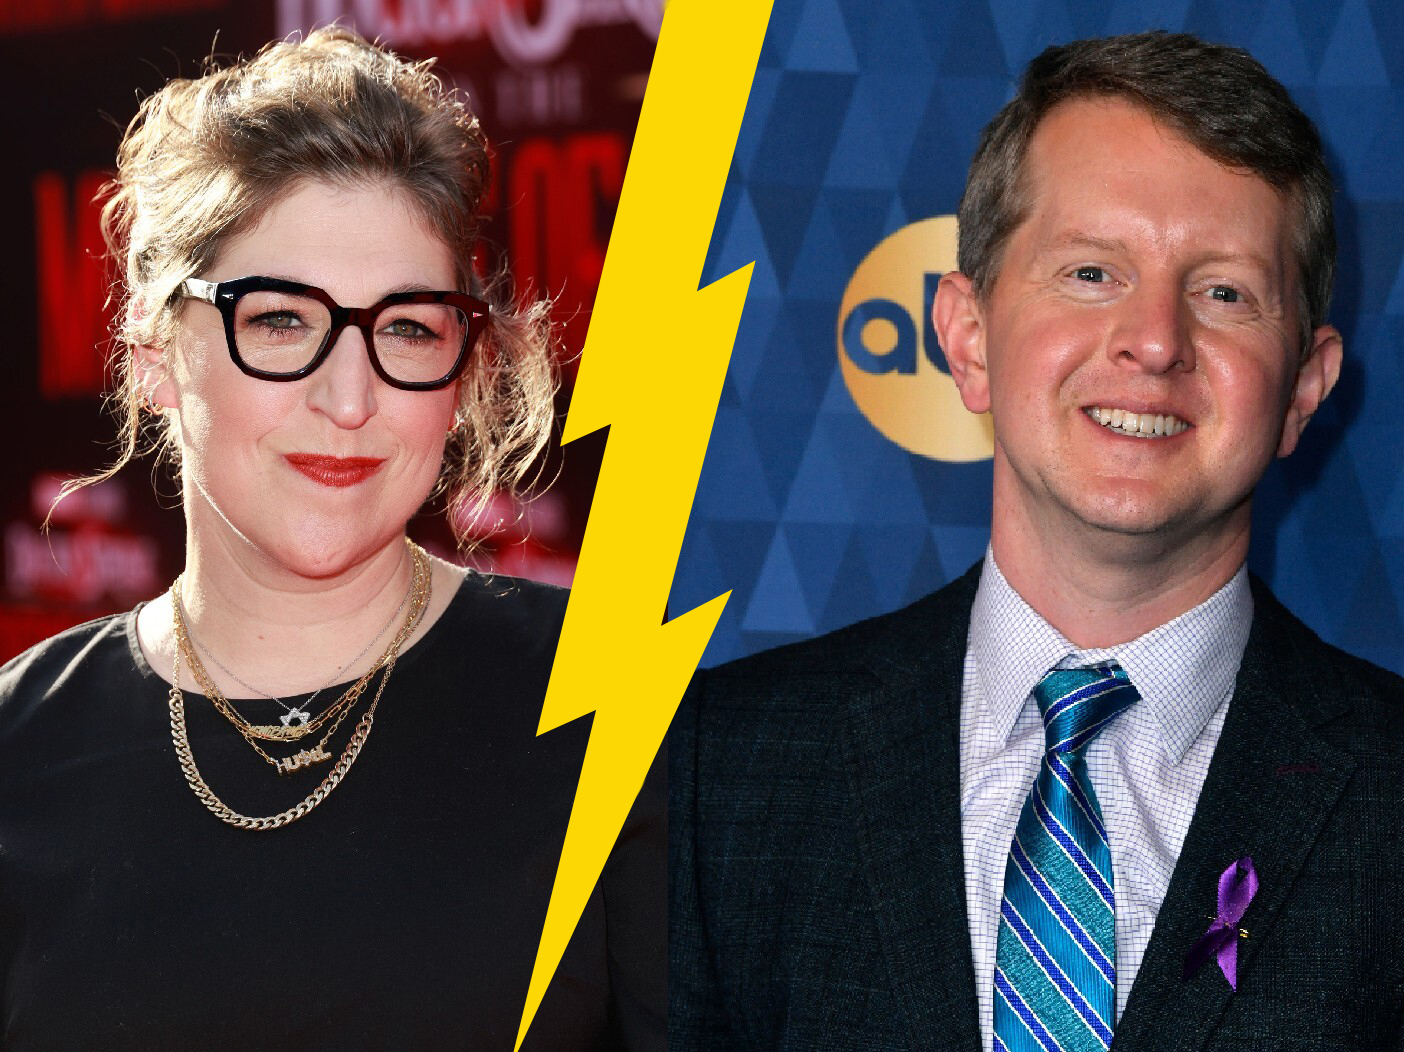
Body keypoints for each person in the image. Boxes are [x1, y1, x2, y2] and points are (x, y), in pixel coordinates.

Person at [672, 31, 1404, 1051]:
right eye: (1093, 271)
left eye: (1223, 291)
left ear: (1305, 389)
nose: (1154, 339)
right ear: (967, 338)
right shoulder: (729, 770)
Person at [0, 28, 662, 1051]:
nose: (348, 397)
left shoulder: (617, 708)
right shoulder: (21, 747)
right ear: (156, 361)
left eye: (407, 327)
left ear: (461, 370)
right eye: (280, 320)